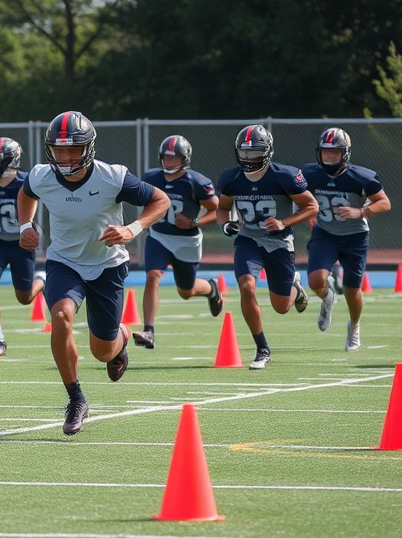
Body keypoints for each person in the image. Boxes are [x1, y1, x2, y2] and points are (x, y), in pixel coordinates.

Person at [17, 111, 170, 435]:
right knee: (61, 316)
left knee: (102, 351)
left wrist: (132, 228)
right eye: (59, 151)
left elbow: (160, 200)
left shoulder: (112, 177)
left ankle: (121, 337)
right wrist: (25, 225)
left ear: (88, 148)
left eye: (74, 149)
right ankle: (76, 399)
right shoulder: (41, 175)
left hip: (107, 265)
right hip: (64, 261)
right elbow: (26, 193)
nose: (66, 158)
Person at [215, 124, 318, 370]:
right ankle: (262, 348)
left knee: (281, 307)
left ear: (268, 151)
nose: (249, 158)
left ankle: (295, 287)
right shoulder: (231, 178)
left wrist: (284, 222)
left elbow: (311, 206)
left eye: (255, 153)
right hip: (249, 239)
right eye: (244, 153)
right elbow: (222, 207)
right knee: (246, 286)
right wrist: (226, 224)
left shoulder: (285, 176)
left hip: (279, 242)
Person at [303, 128, 391, 351]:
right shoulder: (309, 174)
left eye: (336, 152)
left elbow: (384, 202)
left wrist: (361, 211)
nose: (330, 156)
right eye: (326, 151)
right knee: (315, 281)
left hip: (355, 237)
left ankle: (354, 326)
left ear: (346, 153)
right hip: (325, 233)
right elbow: (296, 196)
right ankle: (328, 297)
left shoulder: (362, 177)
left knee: (352, 290)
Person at [132, 135, 223, 350]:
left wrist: (195, 222)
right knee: (152, 276)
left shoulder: (196, 182)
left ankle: (211, 288)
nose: (169, 162)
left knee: (186, 291)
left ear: (185, 159)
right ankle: (149, 331)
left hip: (186, 241)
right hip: (159, 236)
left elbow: (218, 210)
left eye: (174, 158)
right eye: (166, 157)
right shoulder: (151, 177)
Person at [0, 137, 46, 354]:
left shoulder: (26, 183)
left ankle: (42, 279)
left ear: (14, 160)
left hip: (21, 243)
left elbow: (32, 205)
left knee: (24, 298)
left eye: (2, 160)